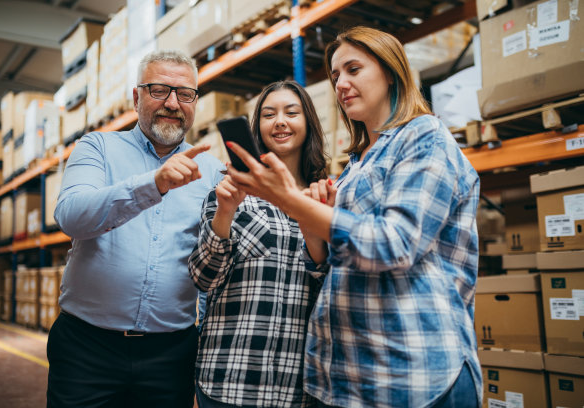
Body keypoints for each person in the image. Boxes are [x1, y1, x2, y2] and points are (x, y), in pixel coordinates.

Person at [225, 27, 482, 408]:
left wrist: (291, 200)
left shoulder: (425, 138)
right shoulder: (356, 164)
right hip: (344, 380)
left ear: (391, 71)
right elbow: (329, 263)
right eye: (335, 76)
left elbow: (393, 245)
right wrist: (314, 223)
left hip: (410, 375)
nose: (341, 83)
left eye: (353, 69)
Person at [47, 49, 224, 407]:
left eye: (185, 94)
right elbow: (71, 215)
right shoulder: (98, 147)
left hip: (171, 353)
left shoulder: (212, 169)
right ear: (136, 96)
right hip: (87, 347)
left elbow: (212, 259)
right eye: (159, 90)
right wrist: (152, 184)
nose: (173, 103)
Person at [188, 80, 328, 408]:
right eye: (269, 114)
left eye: (291, 112)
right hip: (229, 382)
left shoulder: (324, 199)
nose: (280, 121)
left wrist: (314, 231)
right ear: (257, 128)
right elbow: (202, 278)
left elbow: (333, 292)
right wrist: (225, 211)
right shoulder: (228, 194)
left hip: (298, 388)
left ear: (308, 123)